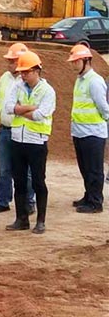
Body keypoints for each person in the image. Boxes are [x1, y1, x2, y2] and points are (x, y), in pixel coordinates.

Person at [3, 51, 55, 234]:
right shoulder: (18, 86)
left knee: (39, 182)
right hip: (18, 139)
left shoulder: (48, 91)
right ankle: (21, 219)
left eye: (26, 72)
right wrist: (29, 108)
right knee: (19, 181)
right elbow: (8, 108)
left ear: (36, 71)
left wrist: (19, 110)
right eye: (21, 72)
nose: (22, 75)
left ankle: (40, 221)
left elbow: (41, 115)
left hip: (37, 142)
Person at [0, 43, 36, 215]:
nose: (9, 64)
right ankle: (3, 201)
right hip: (5, 130)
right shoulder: (4, 78)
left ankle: (29, 202)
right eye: (8, 60)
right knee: (4, 169)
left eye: (12, 60)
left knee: (26, 170)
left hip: (21, 130)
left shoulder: (28, 82)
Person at [67, 44, 109, 213]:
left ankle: (95, 202)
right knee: (85, 168)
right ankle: (89, 195)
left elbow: (104, 107)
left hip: (93, 133)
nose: (73, 64)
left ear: (86, 61)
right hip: (79, 131)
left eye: (76, 61)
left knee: (94, 169)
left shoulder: (95, 81)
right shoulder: (80, 80)